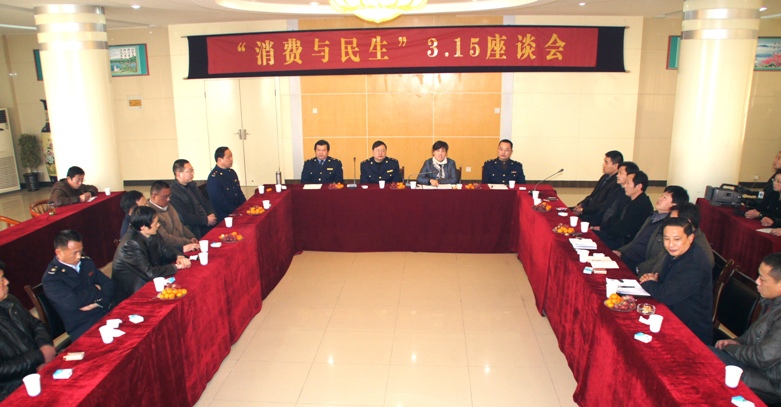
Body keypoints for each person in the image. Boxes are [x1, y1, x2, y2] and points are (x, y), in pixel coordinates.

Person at [712, 253, 781, 405]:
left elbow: (762, 358)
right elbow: (754, 334)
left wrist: (732, 348)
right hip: (755, 366)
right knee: (703, 355)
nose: (757, 281)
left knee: (709, 366)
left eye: (762, 279)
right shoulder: (771, 301)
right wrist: (737, 342)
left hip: (770, 382)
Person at [639, 217, 713, 344]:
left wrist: (648, 282)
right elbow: (666, 284)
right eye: (666, 239)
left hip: (689, 331)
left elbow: (666, 295)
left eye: (677, 239)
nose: (670, 244)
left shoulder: (693, 265)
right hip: (672, 312)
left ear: (690, 238)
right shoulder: (678, 252)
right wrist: (655, 281)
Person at [41, 230, 114, 341]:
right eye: (74, 253)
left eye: (81, 251)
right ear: (59, 252)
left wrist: (97, 303)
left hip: (106, 311)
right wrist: (96, 289)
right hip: (84, 326)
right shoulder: (52, 279)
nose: (79, 256)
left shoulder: (86, 263)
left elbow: (109, 284)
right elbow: (74, 301)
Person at [111, 206, 191, 304]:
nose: (158, 225)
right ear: (143, 227)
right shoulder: (131, 243)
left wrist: (179, 256)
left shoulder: (151, 232)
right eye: (156, 223)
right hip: (134, 291)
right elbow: (149, 273)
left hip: (151, 280)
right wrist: (175, 267)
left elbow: (166, 250)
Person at [0, 262, 55, 401]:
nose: (7, 282)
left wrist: (44, 346)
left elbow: (36, 325)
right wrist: (39, 356)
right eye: (1, 279)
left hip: (41, 366)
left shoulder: (10, 301)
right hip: (13, 388)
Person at [614, 185, 689, 272]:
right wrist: (620, 251)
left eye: (665, 197)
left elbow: (658, 257)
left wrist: (639, 268)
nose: (660, 198)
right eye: (662, 195)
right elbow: (636, 241)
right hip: (626, 257)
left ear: (674, 205)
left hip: (638, 266)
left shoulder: (668, 226)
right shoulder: (652, 216)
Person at [636, 202, 714, 277]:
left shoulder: (698, 255)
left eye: (673, 220)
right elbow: (657, 259)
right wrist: (639, 270)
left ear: (687, 222)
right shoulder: (676, 238)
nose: (669, 223)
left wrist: (651, 280)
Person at [592, 171, 653, 250]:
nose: (624, 186)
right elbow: (615, 218)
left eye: (628, 183)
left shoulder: (641, 206)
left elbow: (623, 229)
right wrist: (602, 228)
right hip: (615, 235)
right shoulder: (630, 199)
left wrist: (604, 232)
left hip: (624, 244)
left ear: (639, 186)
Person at [146, 181, 199, 254]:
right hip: (173, 251)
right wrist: (187, 241)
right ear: (154, 197)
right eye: (165, 197)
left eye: (169, 196)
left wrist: (191, 237)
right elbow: (165, 238)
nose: (168, 199)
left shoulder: (168, 205)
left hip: (186, 244)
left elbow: (180, 225)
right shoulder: (151, 214)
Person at [170, 159, 217, 239]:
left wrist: (212, 213)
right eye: (189, 171)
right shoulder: (173, 192)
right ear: (178, 174)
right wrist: (206, 220)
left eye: (192, 170)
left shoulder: (192, 185)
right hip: (193, 227)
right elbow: (184, 217)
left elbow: (205, 201)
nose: (192, 173)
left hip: (205, 221)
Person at [573, 150, 623, 224]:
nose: (603, 165)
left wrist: (583, 210)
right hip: (587, 210)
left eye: (606, 162)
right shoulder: (604, 177)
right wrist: (581, 204)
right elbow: (592, 195)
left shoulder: (616, 183)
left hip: (595, 216)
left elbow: (604, 205)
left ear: (615, 166)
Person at [206, 147, 246, 221]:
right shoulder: (214, 178)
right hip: (225, 215)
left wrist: (245, 206)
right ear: (219, 159)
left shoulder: (232, 173)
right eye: (228, 157)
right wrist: (237, 212)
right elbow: (221, 202)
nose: (231, 159)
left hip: (237, 211)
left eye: (231, 156)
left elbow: (239, 193)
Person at [598, 161, 639, 227]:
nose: (617, 175)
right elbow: (604, 208)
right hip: (603, 224)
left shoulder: (629, 196)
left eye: (620, 173)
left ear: (629, 175)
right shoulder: (617, 190)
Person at [745, 150, 781, 221]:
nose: (775, 160)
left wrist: (759, 214)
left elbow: (770, 198)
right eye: (776, 157)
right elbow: (765, 193)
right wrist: (750, 192)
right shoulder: (776, 175)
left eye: (779, 158)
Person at [753, 169, 781, 234]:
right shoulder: (773, 194)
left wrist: (774, 222)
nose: (774, 183)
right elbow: (770, 212)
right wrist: (762, 215)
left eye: (779, 181)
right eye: (774, 180)